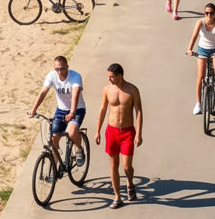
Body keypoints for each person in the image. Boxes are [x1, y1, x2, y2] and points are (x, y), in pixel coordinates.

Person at [94, 63, 143, 208]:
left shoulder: (132, 90)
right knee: (113, 165)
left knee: (127, 166)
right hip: (112, 131)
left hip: (128, 132)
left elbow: (139, 112)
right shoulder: (107, 89)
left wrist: (138, 134)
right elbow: (102, 109)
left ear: (119, 76)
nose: (109, 79)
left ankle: (130, 182)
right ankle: (117, 197)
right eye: (108, 76)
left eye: (111, 77)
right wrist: (97, 131)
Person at [27, 54, 85, 161]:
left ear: (67, 67)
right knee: (53, 139)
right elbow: (43, 92)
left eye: (62, 68)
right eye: (57, 69)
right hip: (61, 110)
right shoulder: (52, 75)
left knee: (72, 133)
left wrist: (72, 113)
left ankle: (79, 149)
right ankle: (55, 170)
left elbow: (75, 95)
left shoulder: (75, 77)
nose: (59, 72)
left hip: (77, 109)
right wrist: (34, 109)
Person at [184, 2, 215, 114]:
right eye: (206, 13)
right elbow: (194, 36)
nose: (209, 15)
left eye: (211, 13)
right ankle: (198, 103)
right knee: (201, 75)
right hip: (203, 49)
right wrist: (189, 49)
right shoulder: (200, 22)